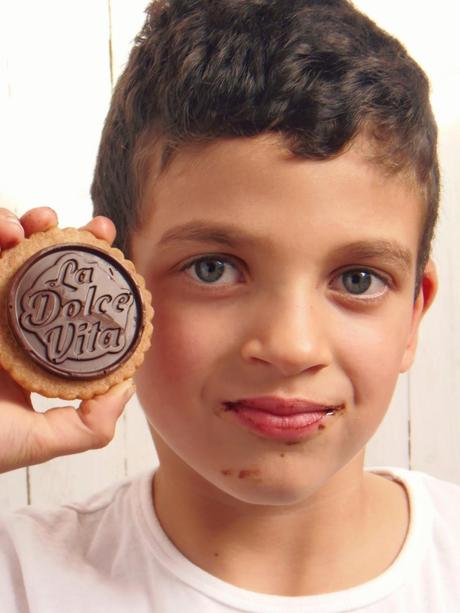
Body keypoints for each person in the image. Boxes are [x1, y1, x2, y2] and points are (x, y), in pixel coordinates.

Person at [1, 0, 459, 611]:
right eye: (213, 269)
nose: (292, 346)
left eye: (356, 279)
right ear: (115, 288)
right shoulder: (21, 577)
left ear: (412, 318)